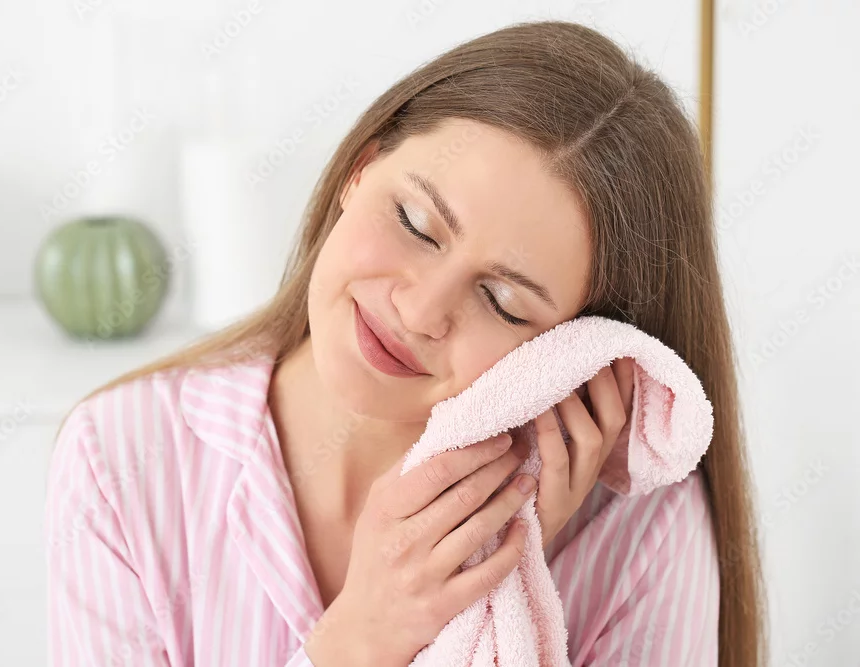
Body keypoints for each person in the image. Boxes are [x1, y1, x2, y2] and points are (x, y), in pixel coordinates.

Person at [43, 20, 767, 667]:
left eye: (502, 301)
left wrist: (500, 589)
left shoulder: (643, 534)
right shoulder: (122, 457)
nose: (420, 311)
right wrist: (360, 640)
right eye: (416, 223)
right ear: (359, 172)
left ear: (577, 351)